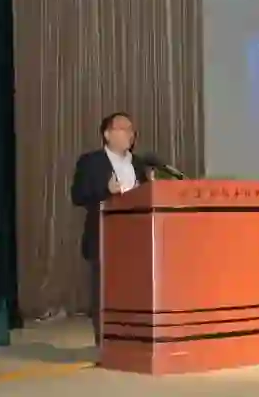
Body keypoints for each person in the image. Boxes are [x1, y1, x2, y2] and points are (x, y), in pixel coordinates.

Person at [70, 112, 148, 347]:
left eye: (131, 130)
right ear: (107, 134)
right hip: (104, 236)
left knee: (134, 291)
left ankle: (132, 340)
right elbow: (78, 195)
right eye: (123, 129)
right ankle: (106, 343)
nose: (130, 134)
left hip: (136, 239)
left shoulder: (139, 164)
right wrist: (105, 191)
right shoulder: (91, 162)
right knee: (104, 293)